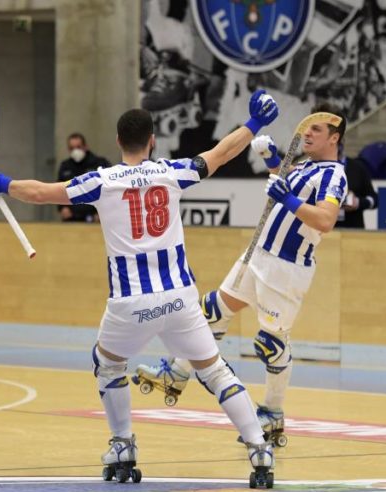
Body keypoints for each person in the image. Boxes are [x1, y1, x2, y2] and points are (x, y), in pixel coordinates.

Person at [0, 90, 280, 487]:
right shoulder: (171, 172)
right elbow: (221, 153)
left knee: (108, 363)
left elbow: (43, 193)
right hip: (179, 298)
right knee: (215, 371)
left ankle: (123, 444)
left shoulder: (101, 181)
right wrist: (254, 124)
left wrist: (4, 184)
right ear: (152, 140)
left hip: (130, 303)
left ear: (118, 141)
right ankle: (259, 449)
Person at [135, 104, 348, 448]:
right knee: (212, 311)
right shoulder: (306, 166)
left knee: (272, 343)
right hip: (258, 254)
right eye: (307, 128)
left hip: (286, 267)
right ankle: (176, 374)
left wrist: (289, 200)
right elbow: (286, 184)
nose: (307, 133)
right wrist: (272, 162)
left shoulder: (334, 175)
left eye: (317, 130)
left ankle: (273, 414)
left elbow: (324, 220)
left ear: (334, 138)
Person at [56, 133, 111, 222]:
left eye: (78, 147)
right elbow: (59, 188)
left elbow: (108, 189)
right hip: (71, 218)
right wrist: (62, 208)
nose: (75, 151)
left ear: (85, 146)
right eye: (72, 148)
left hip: (94, 218)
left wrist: (103, 212)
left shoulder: (99, 164)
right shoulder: (65, 166)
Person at [336, 154, 378, 229]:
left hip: (353, 229)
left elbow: (374, 200)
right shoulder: (314, 167)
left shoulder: (357, 167)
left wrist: (358, 202)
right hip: (321, 231)